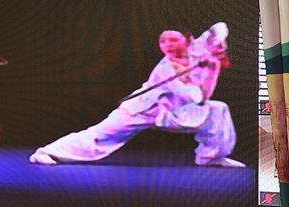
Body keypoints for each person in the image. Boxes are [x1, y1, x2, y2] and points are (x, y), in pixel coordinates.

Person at [29, 23, 243, 167]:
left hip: (174, 111)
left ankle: (212, 158)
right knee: (100, 134)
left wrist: (215, 56)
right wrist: (209, 65)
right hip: (143, 109)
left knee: (218, 109)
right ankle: (47, 152)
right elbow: (196, 97)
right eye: (163, 41)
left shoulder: (198, 52)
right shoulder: (166, 68)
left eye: (173, 40)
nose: (167, 45)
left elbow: (219, 28)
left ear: (188, 40)